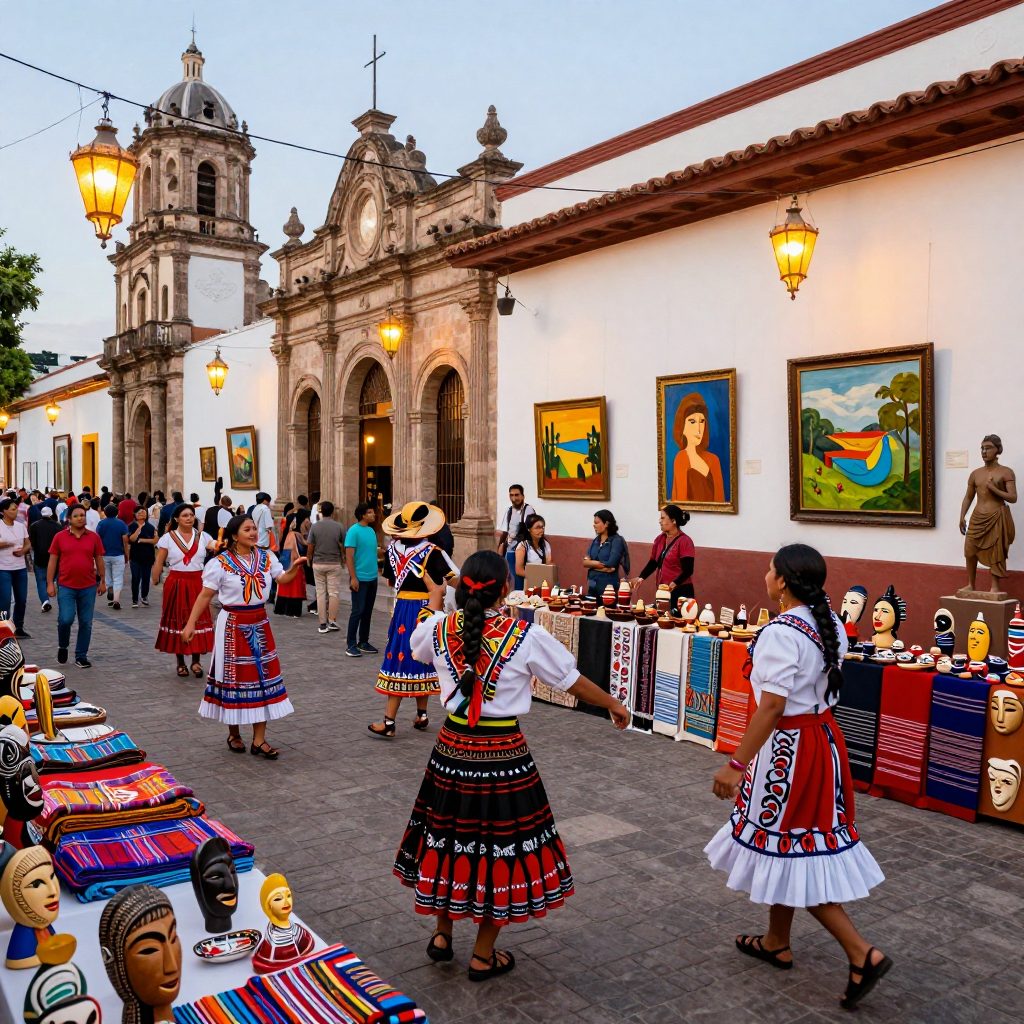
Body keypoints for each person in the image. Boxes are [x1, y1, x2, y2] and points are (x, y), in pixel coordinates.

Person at [398, 549, 630, 979]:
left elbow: (418, 649)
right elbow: (570, 680)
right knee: (499, 849)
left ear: (461, 585)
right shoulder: (525, 636)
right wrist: (613, 702)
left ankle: (442, 934)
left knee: (448, 835)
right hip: (503, 754)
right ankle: (483, 955)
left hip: (451, 749)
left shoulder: (439, 630)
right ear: (505, 588)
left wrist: (432, 604)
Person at [705, 544, 889, 1010]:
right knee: (791, 844)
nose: (765, 575)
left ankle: (860, 952)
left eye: (770, 570)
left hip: (789, 752)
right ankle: (776, 941)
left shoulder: (781, 633)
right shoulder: (829, 628)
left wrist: (736, 762)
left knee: (796, 851)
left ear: (783, 581)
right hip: (822, 743)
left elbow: (772, 706)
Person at [182, 514, 306, 759]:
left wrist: (296, 569)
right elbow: (205, 596)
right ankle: (234, 732)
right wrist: (191, 623)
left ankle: (259, 741)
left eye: (254, 528)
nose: (252, 532)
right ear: (234, 534)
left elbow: (282, 579)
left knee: (261, 678)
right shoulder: (220, 563)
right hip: (232, 625)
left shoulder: (266, 557)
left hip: (260, 622)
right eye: (247, 529)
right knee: (234, 679)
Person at [370, 501, 457, 737]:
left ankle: (389, 722)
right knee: (423, 657)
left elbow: (389, 580)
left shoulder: (392, 551)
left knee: (398, 658)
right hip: (425, 608)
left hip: (402, 610)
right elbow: (449, 579)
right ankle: (422, 714)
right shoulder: (432, 552)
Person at [153, 504, 218, 678]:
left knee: (196, 619)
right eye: (185, 515)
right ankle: (180, 662)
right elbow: (159, 560)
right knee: (179, 620)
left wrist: (220, 544)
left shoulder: (203, 537)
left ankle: (196, 661)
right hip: (176, 582)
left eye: (191, 515)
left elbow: (215, 545)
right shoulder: (167, 538)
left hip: (198, 582)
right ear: (176, 519)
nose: (189, 518)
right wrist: (154, 578)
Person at [46, 504, 106, 668]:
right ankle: (63, 645)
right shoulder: (60, 537)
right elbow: (53, 561)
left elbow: (99, 559)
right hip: (66, 586)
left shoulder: (93, 537)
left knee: (86, 622)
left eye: (83, 515)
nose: (81, 518)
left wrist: (102, 581)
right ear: (69, 519)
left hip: (88, 586)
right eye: (77, 515)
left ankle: (81, 655)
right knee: (66, 619)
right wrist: (50, 583)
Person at [960, 434, 1017, 592]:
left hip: (996, 516)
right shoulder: (976, 474)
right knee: (969, 550)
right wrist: (962, 516)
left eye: (988, 448)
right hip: (977, 517)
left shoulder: (1006, 472)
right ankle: (971, 584)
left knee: (995, 552)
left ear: (998, 450)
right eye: (982, 448)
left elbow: (1013, 498)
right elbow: (968, 497)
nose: (984, 451)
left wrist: (994, 489)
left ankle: (994, 586)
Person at [631, 504, 695, 609]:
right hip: (663, 591)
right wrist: (641, 577)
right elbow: (653, 562)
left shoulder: (685, 541)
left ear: (673, 521)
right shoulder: (660, 539)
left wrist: (673, 585)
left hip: (681, 591)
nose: (660, 521)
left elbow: (688, 570)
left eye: (662, 518)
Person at [670, 392, 725, 502]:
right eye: (692, 422)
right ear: (682, 427)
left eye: (702, 421)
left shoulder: (714, 460)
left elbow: (721, 502)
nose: (699, 429)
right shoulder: (681, 458)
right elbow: (681, 502)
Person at [345, 502, 379, 657]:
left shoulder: (371, 531)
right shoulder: (353, 531)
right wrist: (353, 578)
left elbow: (372, 551)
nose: (374, 514)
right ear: (363, 515)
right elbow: (349, 556)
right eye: (370, 512)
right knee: (357, 611)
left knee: (368, 611)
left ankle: (363, 641)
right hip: (360, 577)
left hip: (373, 577)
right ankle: (351, 644)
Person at [306, 501, 345, 634]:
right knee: (334, 592)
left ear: (321, 511)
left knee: (321, 593)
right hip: (334, 562)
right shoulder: (339, 526)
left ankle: (322, 623)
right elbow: (344, 544)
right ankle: (332, 620)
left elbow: (310, 545)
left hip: (318, 562)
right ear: (333, 511)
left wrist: (308, 559)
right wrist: (343, 558)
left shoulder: (315, 527)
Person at [0, 498, 31, 637]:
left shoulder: (21, 526)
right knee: (5, 600)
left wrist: (23, 551)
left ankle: (19, 626)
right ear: (4, 511)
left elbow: (28, 543)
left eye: (16, 508)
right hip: (3, 567)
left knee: (21, 599)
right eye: (13, 509)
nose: (16, 511)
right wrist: (4, 544)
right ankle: (4, 627)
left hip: (20, 567)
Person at [583, 509, 630, 598]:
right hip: (592, 585)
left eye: (597, 523)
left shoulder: (616, 541)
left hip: (608, 587)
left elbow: (611, 564)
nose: (594, 525)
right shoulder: (596, 541)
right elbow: (585, 561)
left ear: (606, 524)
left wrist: (592, 566)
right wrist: (600, 567)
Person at [496, 485, 535, 585]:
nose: (514, 498)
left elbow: (532, 531)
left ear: (523, 496)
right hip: (510, 550)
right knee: (510, 579)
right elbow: (504, 531)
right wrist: (500, 547)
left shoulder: (528, 510)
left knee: (520, 580)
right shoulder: (509, 511)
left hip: (523, 551)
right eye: (511, 495)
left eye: (517, 495)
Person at [96, 504, 130, 610]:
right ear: (117, 512)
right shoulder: (121, 524)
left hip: (104, 554)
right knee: (118, 577)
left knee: (107, 577)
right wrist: (126, 554)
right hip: (118, 554)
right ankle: (116, 599)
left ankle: (110, 594)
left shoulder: (101, 523)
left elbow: (98, 539)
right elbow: (125, 540)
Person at [273, 518, 307, 617]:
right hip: (293, 562)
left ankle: (282, 608)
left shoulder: (287, 534)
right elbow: (294, 550)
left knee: (285, 586)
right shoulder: (295, 535)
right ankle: (293, 610)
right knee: (295, 587)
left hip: (285, 561)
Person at [29, 506, 61, 613]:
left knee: (40, 581)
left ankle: (45, 601)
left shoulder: (34, 526)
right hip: (55, 558)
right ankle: (54, 593)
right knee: (53, 578)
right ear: (51, 514)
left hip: (39, 557)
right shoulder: (57, 526)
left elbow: (32, 542)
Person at [127, 505, 157, 607]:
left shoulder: (150, 527)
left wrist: (142, 540)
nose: (141, 514)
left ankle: (144, 596)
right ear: (135, 515)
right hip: (135, 556)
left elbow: (154, 540)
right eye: (139, 513)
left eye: (143, 512)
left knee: (146, 577)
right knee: (135, 577)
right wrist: (138, 529)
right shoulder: (131, 526)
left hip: (148, 556)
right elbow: (131, 540)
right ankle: (134, 599)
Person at [513, 513, 550, 590]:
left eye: (542, 527)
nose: (541, 530)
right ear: (529, 529)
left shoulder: (545, 545)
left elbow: (548, 565)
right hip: (528, 582)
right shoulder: (523, 546)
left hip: (543, 582)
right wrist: (535, 575)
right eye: (537, 528)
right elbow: (519, 570)